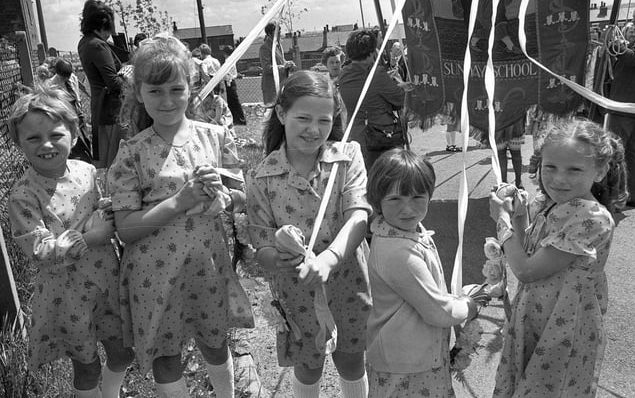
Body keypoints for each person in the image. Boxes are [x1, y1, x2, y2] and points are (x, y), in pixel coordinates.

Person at [107, 35, 253, 398]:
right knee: (165, 354)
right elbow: (125, 229)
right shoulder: (131, 154)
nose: (168, 100)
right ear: (139, 93)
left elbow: (242, 194)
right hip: (153, 275)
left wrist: (224, 199)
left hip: (207, 264)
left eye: (177, 88)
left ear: (191, 87)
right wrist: (181, 200)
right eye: (155, 91)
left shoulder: (216, 137)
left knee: (215, 342)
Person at [247, 70, 371, 397]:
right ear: (281, 113)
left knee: (351, 358)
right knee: (307, 363)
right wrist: (280, 257)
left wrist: (330, 259)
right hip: (296, 289)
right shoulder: (261, 177)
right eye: (303, 118)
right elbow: (261, 243)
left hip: (348, 279)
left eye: (325, 121)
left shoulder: (347, 158)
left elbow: (358, 215)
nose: (314, 130)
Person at [7, 86, 134, 398]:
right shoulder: (23, 195)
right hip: (67, 296)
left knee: (123, 353)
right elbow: (39, 251)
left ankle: (111, 393)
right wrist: (89, 238)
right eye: (33, 138)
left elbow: (99, 209)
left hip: (107, 281)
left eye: (55, 134)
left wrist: (109, 210)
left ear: (74, 136)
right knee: (87, 368)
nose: (46, 144)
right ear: (18, 142)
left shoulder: (86, 171)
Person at [489, 118, 628, 397]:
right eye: (550, 167)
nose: (559, 178)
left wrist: (501, 223)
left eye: (574, 169)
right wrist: (516, 216)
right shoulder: (553, 204)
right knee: (528, 380)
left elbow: (526, 271)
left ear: (599, 171)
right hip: (538, 311)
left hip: (564, 322)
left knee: (549, 387)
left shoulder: (591, 217)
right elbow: (528, 250)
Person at [365, 149, 485, 397]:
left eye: (418, 197)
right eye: (395, 199)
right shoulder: (399, 252)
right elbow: (438, 312)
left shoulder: (402, 232)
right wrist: (470, 305)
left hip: (410, 358)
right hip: (408, 366)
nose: (408, 208)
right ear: (377, 202)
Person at [339, 29, 412, 170]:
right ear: (372, 51)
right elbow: (398, 99)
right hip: (381, 135)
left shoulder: (344, 73)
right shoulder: (376, 74)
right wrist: (401, 86)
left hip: (356, 134)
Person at [77, 0, 127, 169]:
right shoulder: (98, 45)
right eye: (109, 27)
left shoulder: (85, 42)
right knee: (116, 162)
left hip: (100, 109)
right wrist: (129, 76)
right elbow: (113, 83)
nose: (110, 32)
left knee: (106, 160)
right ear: (103, 24)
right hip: (112, 112)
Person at [606, 5, 635, 208]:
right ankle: (634, 194)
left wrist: (618, 44)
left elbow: (632, 58)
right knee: (628, 150)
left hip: (626, 105)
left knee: (614, 149)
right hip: (629, 105)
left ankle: (615, 195)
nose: (633, 21)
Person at [47, 58, 93, 163]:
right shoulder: (51, 84)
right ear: (58, 73)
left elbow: (79, 86)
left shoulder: (72, 77)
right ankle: (76, 160)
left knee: (85, 136)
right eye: (64, 77)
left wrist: (87, 94)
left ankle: (88, 158)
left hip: (77, 109)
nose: (67, 79)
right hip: (66, 113)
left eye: (68, 76)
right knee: (73, 139)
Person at [259, 20, 296, 105]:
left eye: (279, 32)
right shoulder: (264, 48)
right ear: (269, 34)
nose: (279, 34)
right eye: (276, 32)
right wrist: (284, 67)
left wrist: (288, 63)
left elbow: (281, 61)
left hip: (281, 84)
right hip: (271, 87)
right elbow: (267, 68)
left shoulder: (278, 45)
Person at [222, 45, 247, 125]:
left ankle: (241, 119)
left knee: (234, 101)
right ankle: (235, 119)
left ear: (225, 53)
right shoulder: (232, 59)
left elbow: (228, 72)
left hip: (230, 81)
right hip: (230, 81)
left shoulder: (228, 60)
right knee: (231, 101)